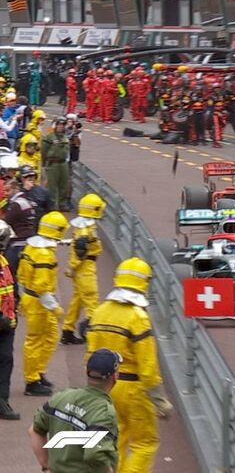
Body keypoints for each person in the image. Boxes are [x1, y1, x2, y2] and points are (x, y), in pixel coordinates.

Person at [87, 258, 173, 473]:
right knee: (144, 443)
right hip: (134, 389)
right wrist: (159, 399)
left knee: (118, 438)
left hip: (107, 386)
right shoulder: (138, 317)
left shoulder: (100, 311)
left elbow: (90, 354)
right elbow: (148, 365)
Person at [29, 348, 120, 473]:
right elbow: (94, 454)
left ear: (87, 371)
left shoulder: (62, 396)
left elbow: (34, 430)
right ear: (115, 376)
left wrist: (46, 466)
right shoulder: (104, 412)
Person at [18, 211, 69, 396]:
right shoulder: (45, 255)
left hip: (32, 298)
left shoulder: (32, 246)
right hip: (40, 302)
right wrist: (55, 307)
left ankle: (38, 372)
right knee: (35, 340)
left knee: (49, 336)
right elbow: (42, 287)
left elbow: (24, 275)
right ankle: (32, 381)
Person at [62, 193, 105, 345]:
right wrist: (72, 268)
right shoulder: (86, 230)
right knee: (92, 300)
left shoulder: (83, 227)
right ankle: (92, 331)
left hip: (83, 268)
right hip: (86, 268)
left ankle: (67, 330)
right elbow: (79, 252)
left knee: (77, 301)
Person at [0, 220, 19, 420]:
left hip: (7, 323)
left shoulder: (3, 261)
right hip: (2, 321)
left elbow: (9, 289)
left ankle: (2, 402)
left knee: (6, 361)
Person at [3, 176, 36, 280]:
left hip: (19, 242)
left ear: (15, 189)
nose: (6, 194)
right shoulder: (25, 200)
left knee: (8, 269)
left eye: (8, 190)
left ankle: (14, 295)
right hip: (29, 239)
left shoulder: (16, 205)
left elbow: (5, 221)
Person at [41, 116, 70, 211]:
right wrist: (44, 164)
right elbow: (44, 151)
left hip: (63, 163)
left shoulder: (65, 137)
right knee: (52, 186)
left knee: (64, 185)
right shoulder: (49, 137)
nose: (61, 127)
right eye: (59, 124)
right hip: (53, 163)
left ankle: (62, 204)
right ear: (55, 125)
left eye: (62, 125)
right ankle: (52, 205)